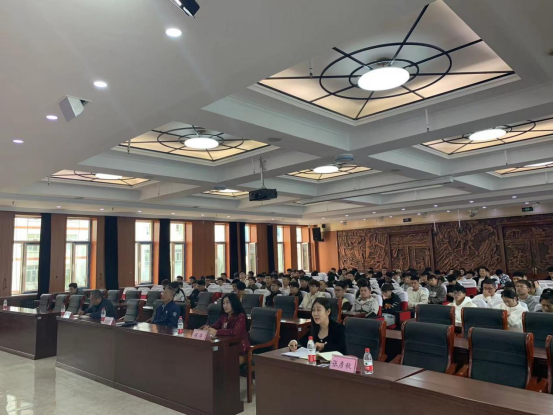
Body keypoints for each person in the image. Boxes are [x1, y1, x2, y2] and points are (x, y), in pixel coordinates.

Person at [203, 294, 250, 361]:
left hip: (239, 348)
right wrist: (208, 328)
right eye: (223, 303)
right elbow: (215, 326)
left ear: (234, 303)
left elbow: (235, 332)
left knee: (218, 359)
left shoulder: (240, 316)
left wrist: (216, 332)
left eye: (228, 302)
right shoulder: (224, 316)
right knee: (209, 355)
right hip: (226, 345)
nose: (225, 306)